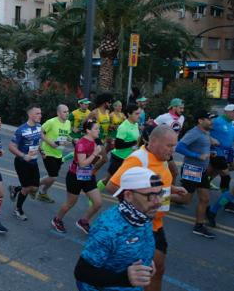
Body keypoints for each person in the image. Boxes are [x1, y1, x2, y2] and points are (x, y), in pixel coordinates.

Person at [106, 125, 188, 291]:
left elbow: (152, 183)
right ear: (154, 141)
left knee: (158, 269)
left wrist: (171, 189)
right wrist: (140, 209)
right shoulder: (138, 159)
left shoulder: (162, 158)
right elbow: (112, 186)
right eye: (169, 145)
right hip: (142, 227)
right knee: (147, 272)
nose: (173, 150)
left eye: (175, 146)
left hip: (157, 224)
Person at [74, 167, 162, 291]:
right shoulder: (108, 229)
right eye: (151, 195)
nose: (159, 201)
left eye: (160, 193)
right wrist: (125, 278)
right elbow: (82, 272)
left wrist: (146, 261)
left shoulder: (143, 215)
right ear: (129, 195)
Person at [52, 120, 103, 234]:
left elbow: (96, 156)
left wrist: (97, 155)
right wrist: (95, 154)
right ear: (88, 131)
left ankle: (83, 221)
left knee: (98, 202)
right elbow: (82, 163)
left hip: (87, 175)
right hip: (75, 176)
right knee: (70, 203)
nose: (98, 131)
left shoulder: (96, 141)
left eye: (98, 128)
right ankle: (57, 219)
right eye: (96, 129)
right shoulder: (81, 144)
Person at [173, 111, 217, 238]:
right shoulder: (194, 133)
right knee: (185, 199)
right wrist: (197, 156)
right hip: (191, 169)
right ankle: (162, 197)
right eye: (209, 119)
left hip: (201, 171)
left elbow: (201, 147)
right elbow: (179, 147)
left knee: (205, 198)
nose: (211, 122)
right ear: (200, 121)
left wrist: (210, 152)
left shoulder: (205, 132)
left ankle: (199, 226)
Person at [8, 104, 43, 220]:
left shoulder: (39, 127)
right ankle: (18, 209)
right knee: (27, 188)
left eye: (40, 113)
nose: (40, 115)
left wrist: (41, 151)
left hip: (33, 162)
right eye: (37, 113)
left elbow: (36, 142)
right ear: (30, 114)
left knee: (35, 188)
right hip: (22, 163)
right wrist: (23, 156)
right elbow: (11, 147)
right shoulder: (21, 130)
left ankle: (15, 189)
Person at [97, 104, 142, 191]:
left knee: (127, 183)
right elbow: (118, 145)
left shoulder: (136, 124)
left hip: (130, 159)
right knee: (108, 180)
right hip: (119, 158)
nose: (139, 116)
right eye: (136, 114)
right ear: (129, 114)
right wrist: (133, 143)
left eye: (139, 113)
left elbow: (136, 140)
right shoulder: (123, 127)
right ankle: (96, 190)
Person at [37, 104, 72, 203]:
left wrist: (72, 140)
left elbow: (66, 135)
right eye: (64, 111)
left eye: (68, 111)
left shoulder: (68, 123)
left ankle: (42, 193)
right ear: (58, 113)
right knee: (53, 176)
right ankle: (32, 186)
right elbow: (40, 132)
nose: (67, 113)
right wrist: (50, 143)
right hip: (48, 152)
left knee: (52, 177)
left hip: (58, 154)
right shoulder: (51, 122)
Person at [153, 98, 185, 179]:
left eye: (183, 108)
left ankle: (168, 189)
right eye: (180, 108)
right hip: (161, 150)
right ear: (174, 107)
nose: (182, 110)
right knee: (173, 172)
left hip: (171, 150)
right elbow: (152, 130)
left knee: (171, 173)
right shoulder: (163, 117)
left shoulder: (182, 118)